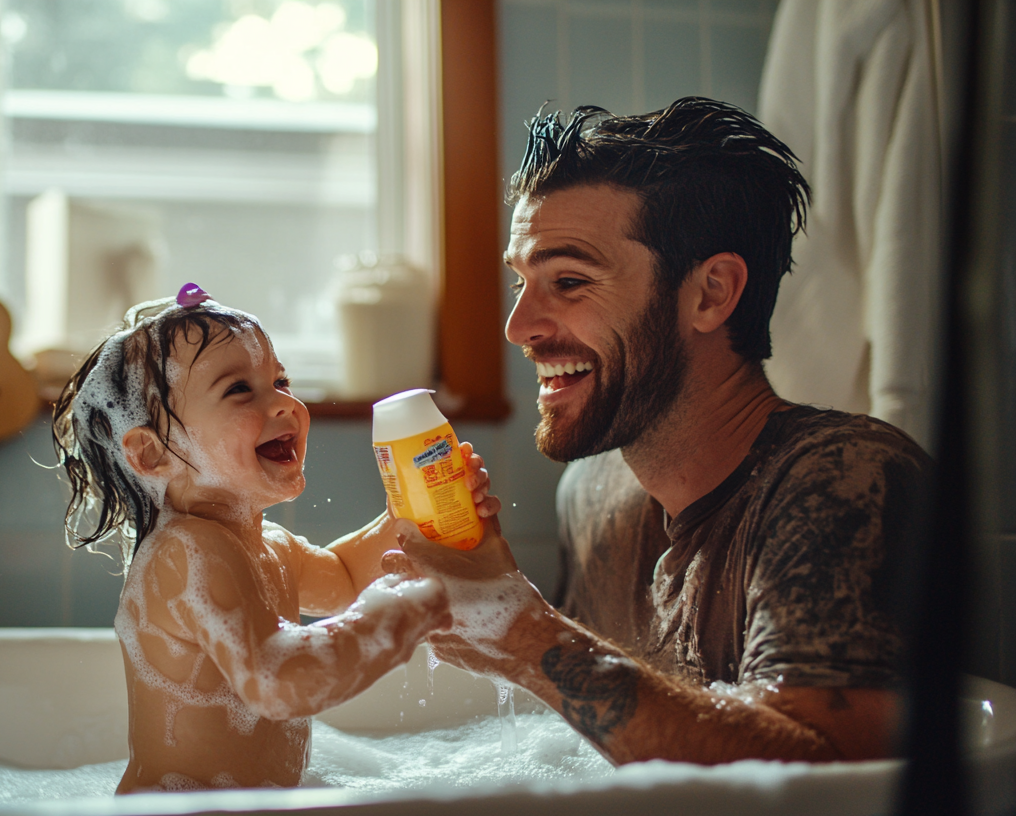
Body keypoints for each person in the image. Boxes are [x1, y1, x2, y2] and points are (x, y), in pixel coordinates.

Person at [386, 97, 930, 766]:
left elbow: (825, 777)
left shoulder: (844, 480)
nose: (519, 326)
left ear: (710, 294)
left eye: (569, 280)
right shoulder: (593, 496)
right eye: (522, 282)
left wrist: (526, 634)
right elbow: (577, 752)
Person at [50, 286, 495, 792]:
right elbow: (276, 682)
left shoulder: (271, 546)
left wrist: (408, 511)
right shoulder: (187, 550)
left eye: (280, 380)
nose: (283, 403)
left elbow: (346, 579)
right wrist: (399, 615)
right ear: (152, 455)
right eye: (239, 389)